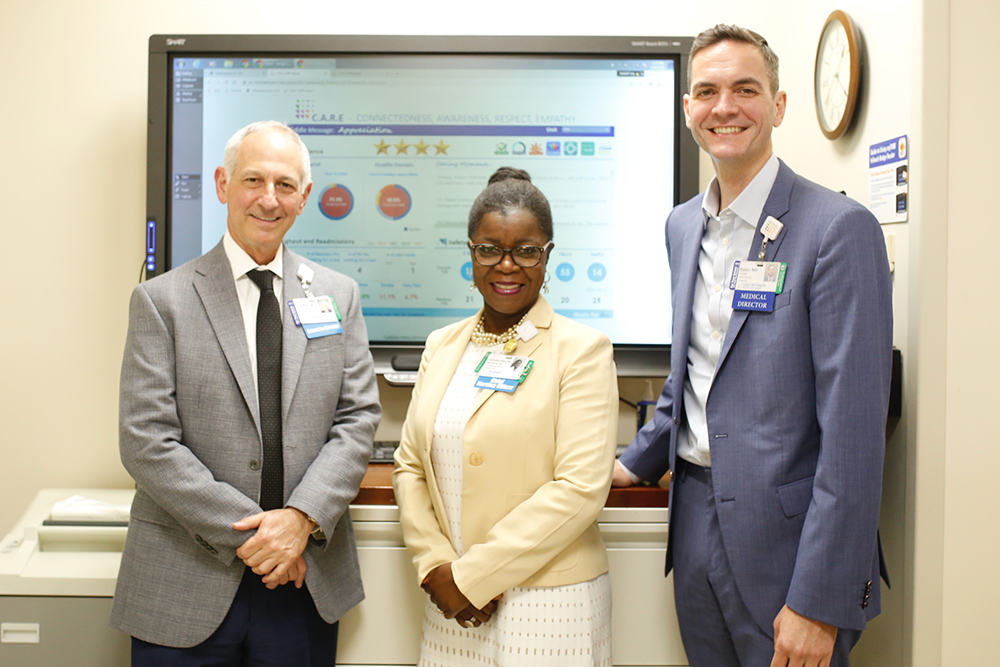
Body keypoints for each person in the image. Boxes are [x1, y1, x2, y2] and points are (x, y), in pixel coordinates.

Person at [612, 25, 892, 667]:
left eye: (746, 89)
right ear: (688, 108)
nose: (725, 108)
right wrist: (630, 465)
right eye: (707, 92)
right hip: (695, 523)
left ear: (779, 105)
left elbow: (853, 436)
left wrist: (819, 600)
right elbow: (693, 375)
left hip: (791, 547)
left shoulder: (837, 230)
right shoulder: (682, 225)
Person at [110, 120, 381, 665]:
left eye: (285, 185)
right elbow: (146, 442)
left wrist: (299, 519)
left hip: (303, 579)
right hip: (185, 575)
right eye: (253, 180)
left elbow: (357, 421)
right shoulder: (162, 302)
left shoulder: (338, 295)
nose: (268, 199)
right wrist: (260, 538)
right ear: (222, 184)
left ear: (304, 197)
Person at [393, 167, 619, 666]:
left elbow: (579, 489)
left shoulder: (582, 350)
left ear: (548, 255)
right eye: (490, 249)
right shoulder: (441, 345)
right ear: (471, 253)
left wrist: (473, 578)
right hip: (450, 603)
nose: (507, 265)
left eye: (526, 250)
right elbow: (409, 466)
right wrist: (435, 567)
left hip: (549, 603)